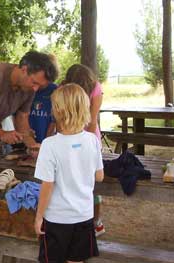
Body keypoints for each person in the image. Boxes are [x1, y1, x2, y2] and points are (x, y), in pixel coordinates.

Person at [34, 83, 104, 263]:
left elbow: (47, 186)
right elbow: (99, 176)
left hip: (57, 218)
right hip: (84, 216)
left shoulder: (49, 145)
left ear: (56, 110)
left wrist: (39, 216)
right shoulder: (92, 141)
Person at [0, 51, 58, 161]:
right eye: (34, 82)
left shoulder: (29, 88)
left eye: (39, 85)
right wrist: (2, 134)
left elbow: (22, 117)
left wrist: (32, 146)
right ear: (24, 70)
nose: (35, 89)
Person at [63, 64, 105, 236]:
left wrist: (85, 145)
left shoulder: (96, 88)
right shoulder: (63, 87)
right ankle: (74, 221)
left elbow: (92, 121)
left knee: (91, 185)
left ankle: (96, 222)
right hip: (68, 136)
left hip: (89, 138)